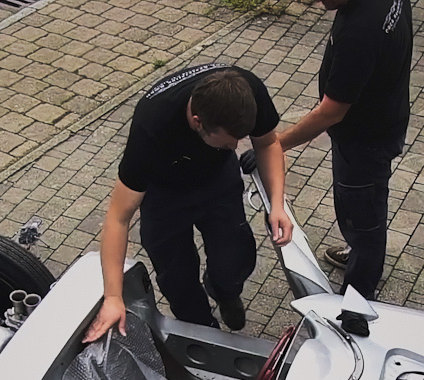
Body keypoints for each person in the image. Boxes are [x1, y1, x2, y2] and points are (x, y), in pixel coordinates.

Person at [82, 64, 291, 342]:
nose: (235, 148)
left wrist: (277, 205)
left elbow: (267, 143)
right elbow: (118, 218)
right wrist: (112, 297)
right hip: (164, 194)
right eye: (227, 143)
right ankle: (205, 335)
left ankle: (224, 290)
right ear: (197, 122)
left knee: (234, 258)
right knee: (177, 280)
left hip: (217, 180)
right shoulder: (152, 126)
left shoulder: (246, 91)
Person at [279, 0, 413, 301]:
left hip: (363, 142)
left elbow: (332, 111)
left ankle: (358, 297)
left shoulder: (359, 31)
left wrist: (279, 143)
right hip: (385, 115)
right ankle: (359, 256)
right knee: (364, 209)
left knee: (362, 218)